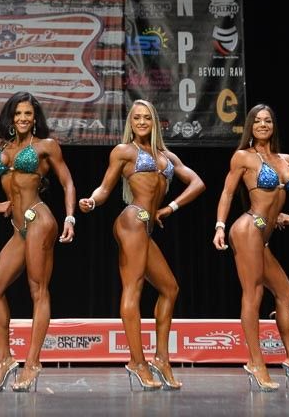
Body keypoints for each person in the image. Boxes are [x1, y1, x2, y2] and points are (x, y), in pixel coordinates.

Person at [79, 99, 205, 390]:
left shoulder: (166, 156)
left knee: (170, 289)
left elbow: (198, 183)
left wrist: (169, 208)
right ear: (130, 123)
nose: (142, 122)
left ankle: (161, 359)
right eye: (136, 118)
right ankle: (137, 361)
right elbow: (105, 188)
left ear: (154, 121)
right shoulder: (124, 151)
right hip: (132, 220)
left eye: (146, 117)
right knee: (133, 288)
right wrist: (92, 202)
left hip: (145, 227)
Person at [0, 92, 76, 392]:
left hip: (39, 219)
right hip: (18, 228)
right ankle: (4, 359)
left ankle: (33, 362)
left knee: (38, 290)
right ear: (10, 117)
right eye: (18, 114)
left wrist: (70, 217)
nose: (23, 118)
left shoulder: (46, 146)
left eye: (28, 114)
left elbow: (67, 181)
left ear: (35, 118)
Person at [213, 103, 289, 392]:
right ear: (250, 126)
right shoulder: (243, 157)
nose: (263, 125)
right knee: (254, 293)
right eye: (258, 121)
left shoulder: (287, 160)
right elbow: (227, 193)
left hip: (263, 236)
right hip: (248, 227)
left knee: (285, 293)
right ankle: (256, 362)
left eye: (268, 121)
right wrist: (220, 226)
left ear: (273, 126)